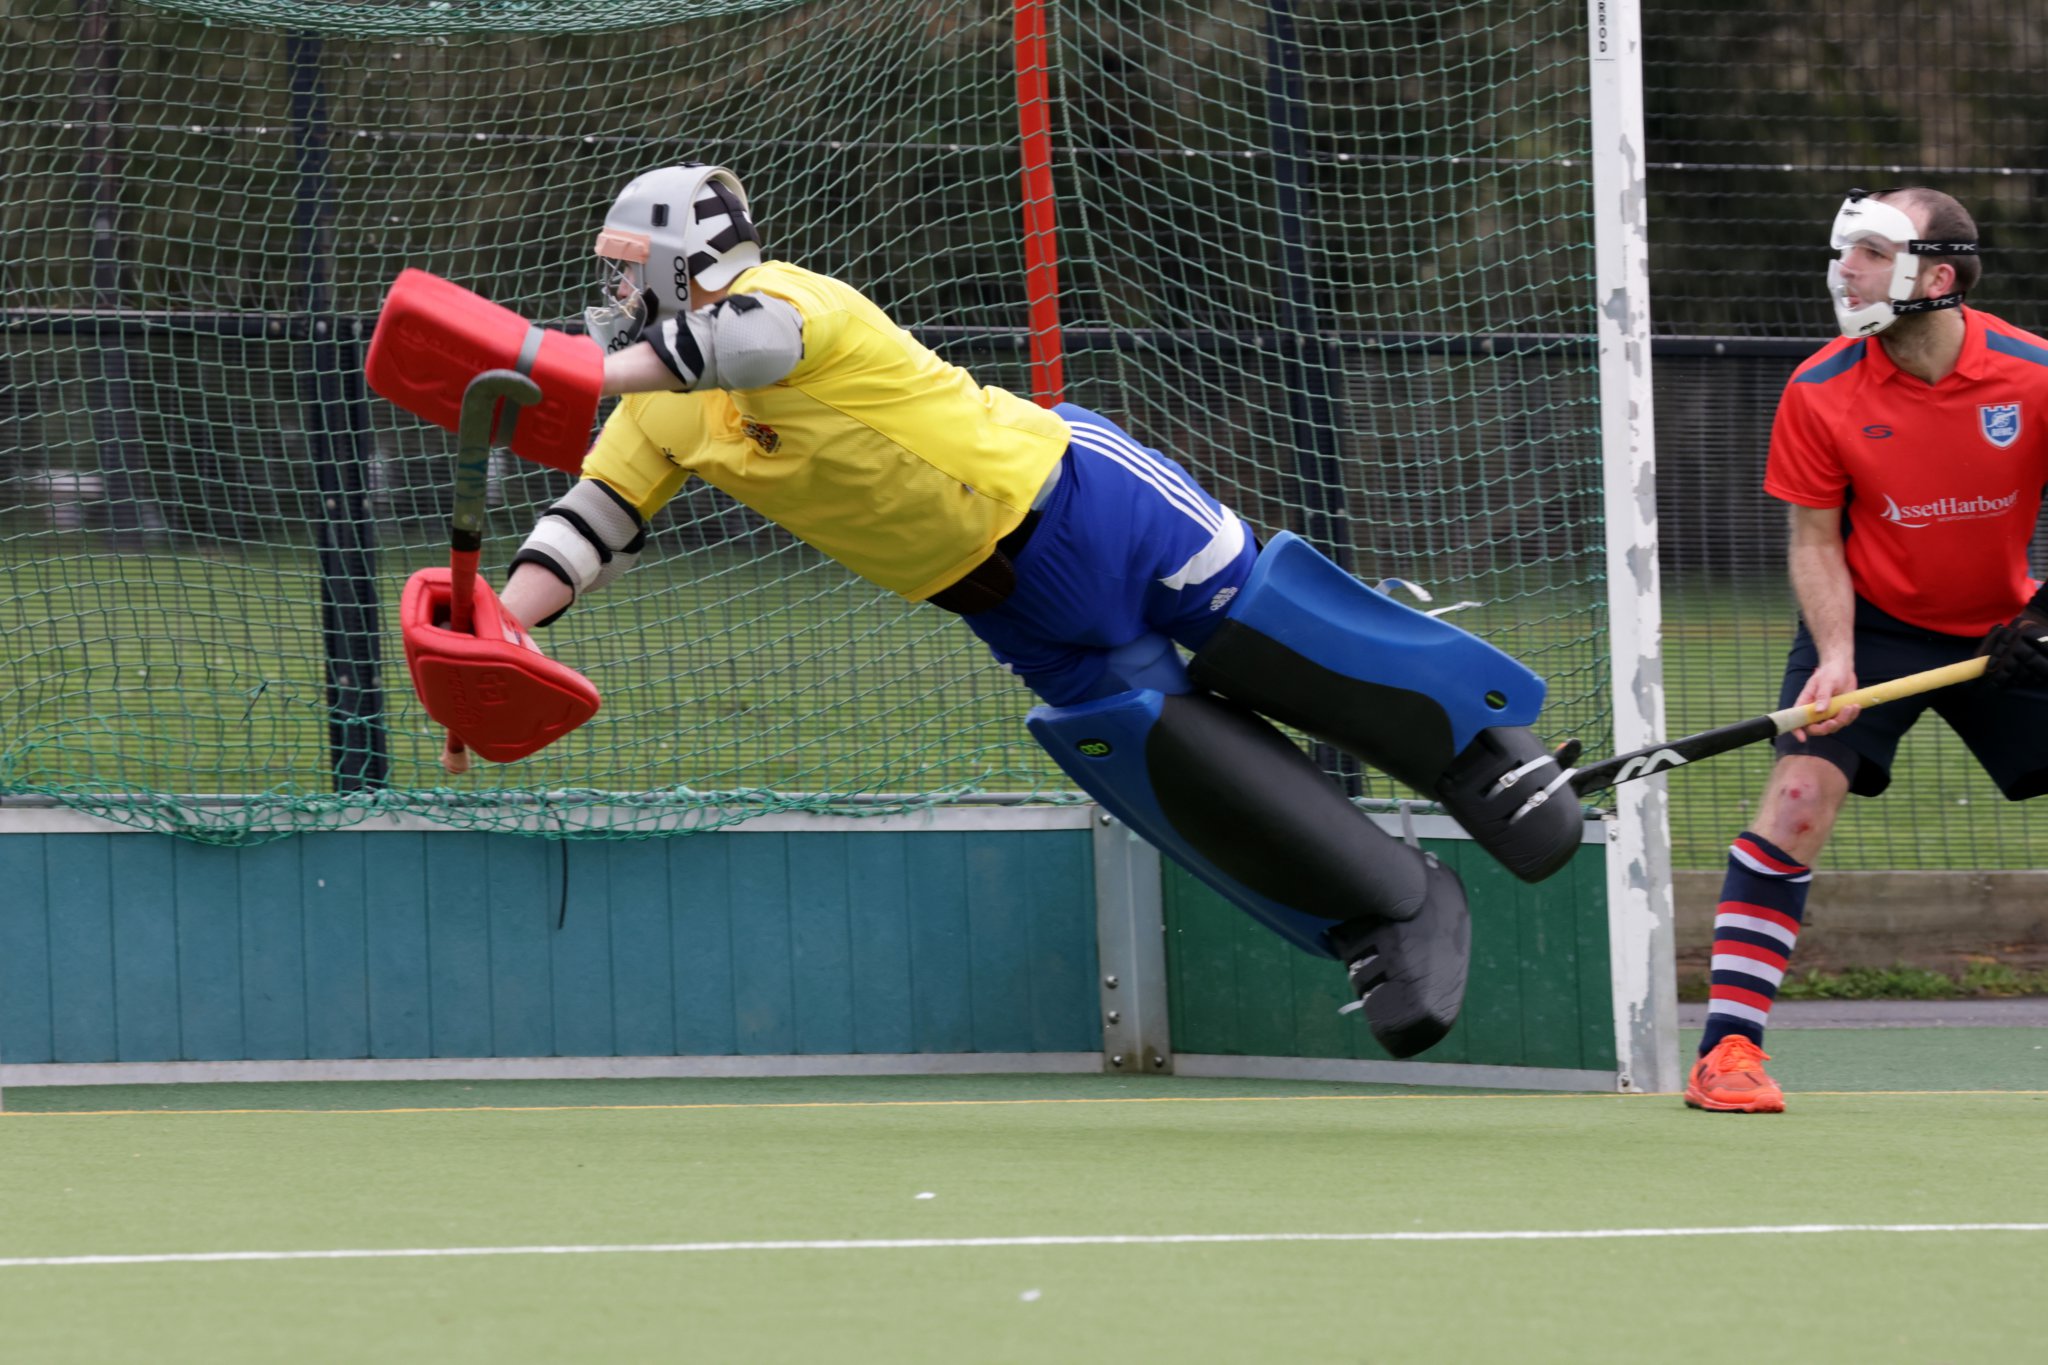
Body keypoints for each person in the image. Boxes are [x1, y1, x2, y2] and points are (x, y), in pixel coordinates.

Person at [439, 162, 1586, 1059]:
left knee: (1267, 627)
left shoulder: (776, 302)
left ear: (687, 261)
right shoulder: (654, 410)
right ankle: (1388, 910)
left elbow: (747, 344)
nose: (613, 292)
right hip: (991, 596)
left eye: (629, 265)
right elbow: (587, 526)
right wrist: (501, 629)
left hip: (1074, 501)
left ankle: (1476, 745)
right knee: (1162, 751)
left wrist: (558, 360)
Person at [1687, 187, 2048, 1113]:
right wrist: (1837, 658)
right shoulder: (1819, 389)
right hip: (1872, 620)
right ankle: (1728, 1053)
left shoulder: (2033, 374)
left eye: (1871, 252)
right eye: (1845, 251)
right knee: (1798, 796)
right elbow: (1814, 540)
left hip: (2006, 629)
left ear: (1936, 274)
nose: (1843, 270)